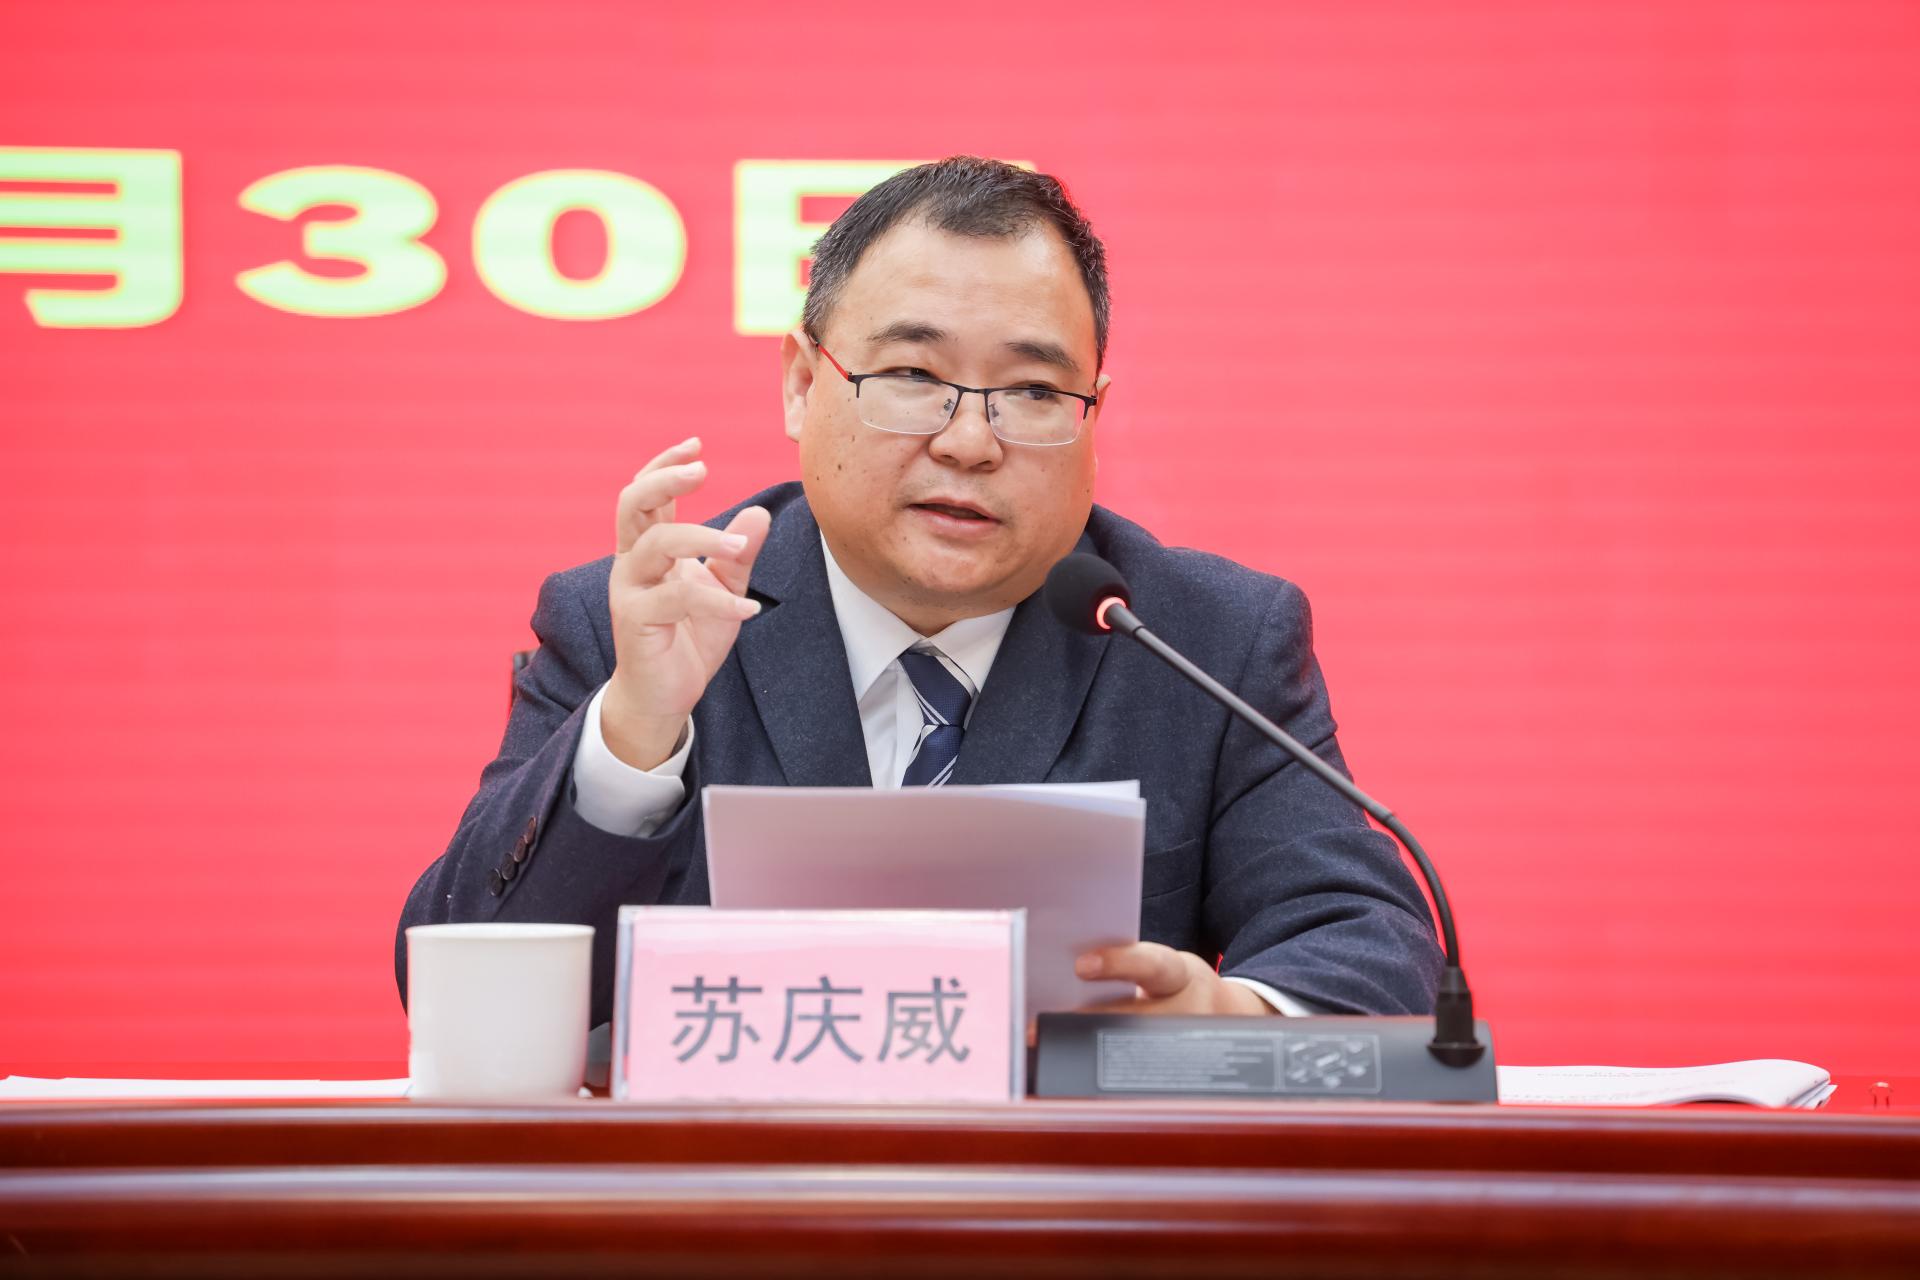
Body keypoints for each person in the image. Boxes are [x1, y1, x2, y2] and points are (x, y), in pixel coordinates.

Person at [396, 157, 1442, 1029]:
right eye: (912, 376)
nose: (970, 441)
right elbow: (458, 993)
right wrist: (633, 734)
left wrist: (1229, 1018)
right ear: (802, 382)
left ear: (1093, 411)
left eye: (1033, 391)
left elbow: (1372, 950)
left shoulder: (1202, 639)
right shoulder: (644, 625)